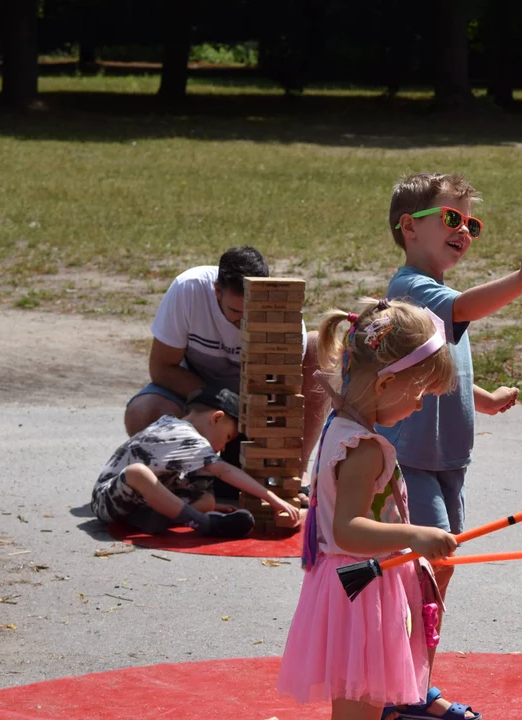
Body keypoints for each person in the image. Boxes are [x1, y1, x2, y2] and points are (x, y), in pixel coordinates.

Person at [375, 171, 522, 719]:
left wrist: (485, 397)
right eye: (451, 218)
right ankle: (397, 687)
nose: (464, 231)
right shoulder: (410, 288)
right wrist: (521, 279)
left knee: (438, 572)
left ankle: (414, 680)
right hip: (412, 460)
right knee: (420, 573)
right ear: (409, 227)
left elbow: (438, 364)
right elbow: (466, 308)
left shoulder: (441, 296)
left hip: (449, 460)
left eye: (471, 223)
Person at [276, 298, 459, 720]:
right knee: (359, 709)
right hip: (361, 591)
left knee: (362, 706)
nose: (418, 406)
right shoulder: (363, 449)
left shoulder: (340, 427)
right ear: (384, 385)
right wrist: (414, 536)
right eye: (419, 394)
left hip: (356, 585)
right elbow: (348, 530)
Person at [123, 245, 328, 499]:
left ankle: (296, 470)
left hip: (253, 401)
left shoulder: (282, 316)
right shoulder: (189, 289)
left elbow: (282, 394)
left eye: (249, 314)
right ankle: (180, 478)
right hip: (199, 393)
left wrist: (253, 425)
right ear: (217, 290)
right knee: (141, 413)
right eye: (234, 312)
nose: (241, 322)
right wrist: (213, 401)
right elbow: (161, 368)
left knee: (319, 346)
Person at [92, 385, 303, 537]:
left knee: (208, 501)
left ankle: (148, 517)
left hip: (139, 501)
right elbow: (224, 471)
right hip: (107, 499)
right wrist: (274, 499)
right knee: (137, 472)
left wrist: (213, 504)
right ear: (217, 418)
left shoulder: (188, 439)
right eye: (228, 437)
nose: (224, 447)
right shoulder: (180, 432)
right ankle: (204, 524)